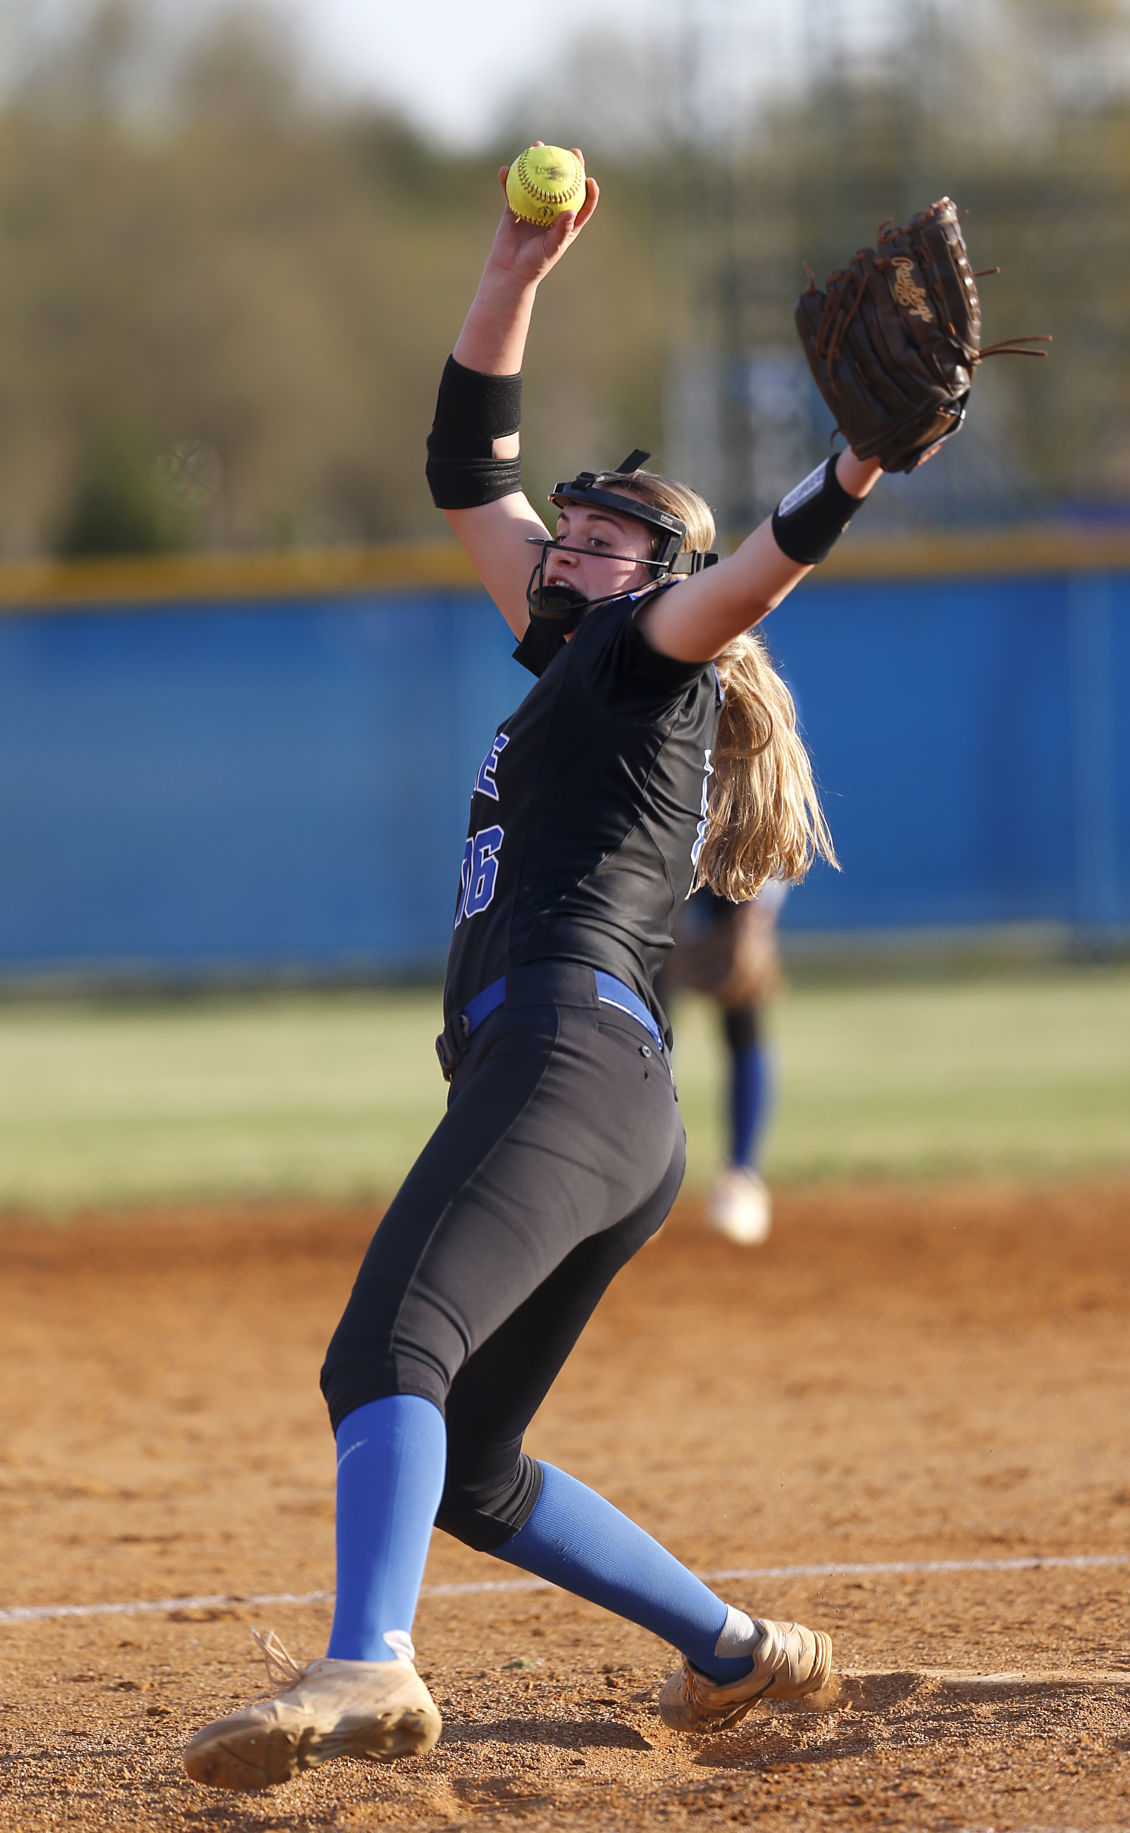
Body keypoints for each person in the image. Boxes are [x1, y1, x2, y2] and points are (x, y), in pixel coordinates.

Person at [182, 147, 885, 1795]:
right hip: (600, 1092)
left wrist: (848, 471)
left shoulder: (649, 663)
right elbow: (459, 461)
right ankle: (734, 1648)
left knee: (383, 1357)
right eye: (566, 522)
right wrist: (512, 274)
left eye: (601, 533)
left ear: (648, 580)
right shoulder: (578, 660)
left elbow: (756, 570)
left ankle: (370, 1662)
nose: (564, 535)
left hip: (567, 1057)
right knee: (472, 1466)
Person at [664, 877, 789, 1246]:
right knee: (649, 1010)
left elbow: (773, 819)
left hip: (732, 851)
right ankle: (644, 1178)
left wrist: (758, 916)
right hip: (663, 844)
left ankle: (742, 1177)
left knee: (743, 998)